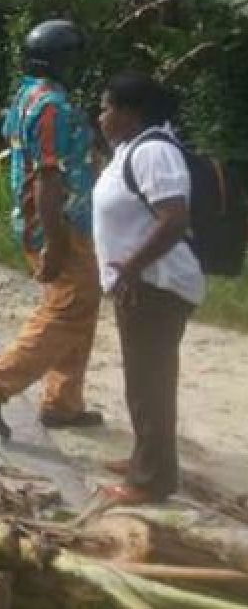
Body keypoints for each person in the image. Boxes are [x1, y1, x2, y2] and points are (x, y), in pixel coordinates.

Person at [0, 20, 104, 439]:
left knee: (80, 306)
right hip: (59, 223)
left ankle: (63, 402)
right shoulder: (51, 106)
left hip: (66, 219)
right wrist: (55, 242)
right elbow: (47, 177)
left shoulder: (28, 95)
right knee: (69, 309)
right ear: (64, 61)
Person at [93, 71, 203, 504]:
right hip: (140, 283)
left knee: (150, 382)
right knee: (141, 378)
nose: (100, 117)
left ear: (130, 113)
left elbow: (174, 219)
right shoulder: (131, 149)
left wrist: (133, 268)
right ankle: (146, 457)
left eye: (106, 108)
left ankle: (151, 479)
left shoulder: (155, 152)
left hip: (157, 285)